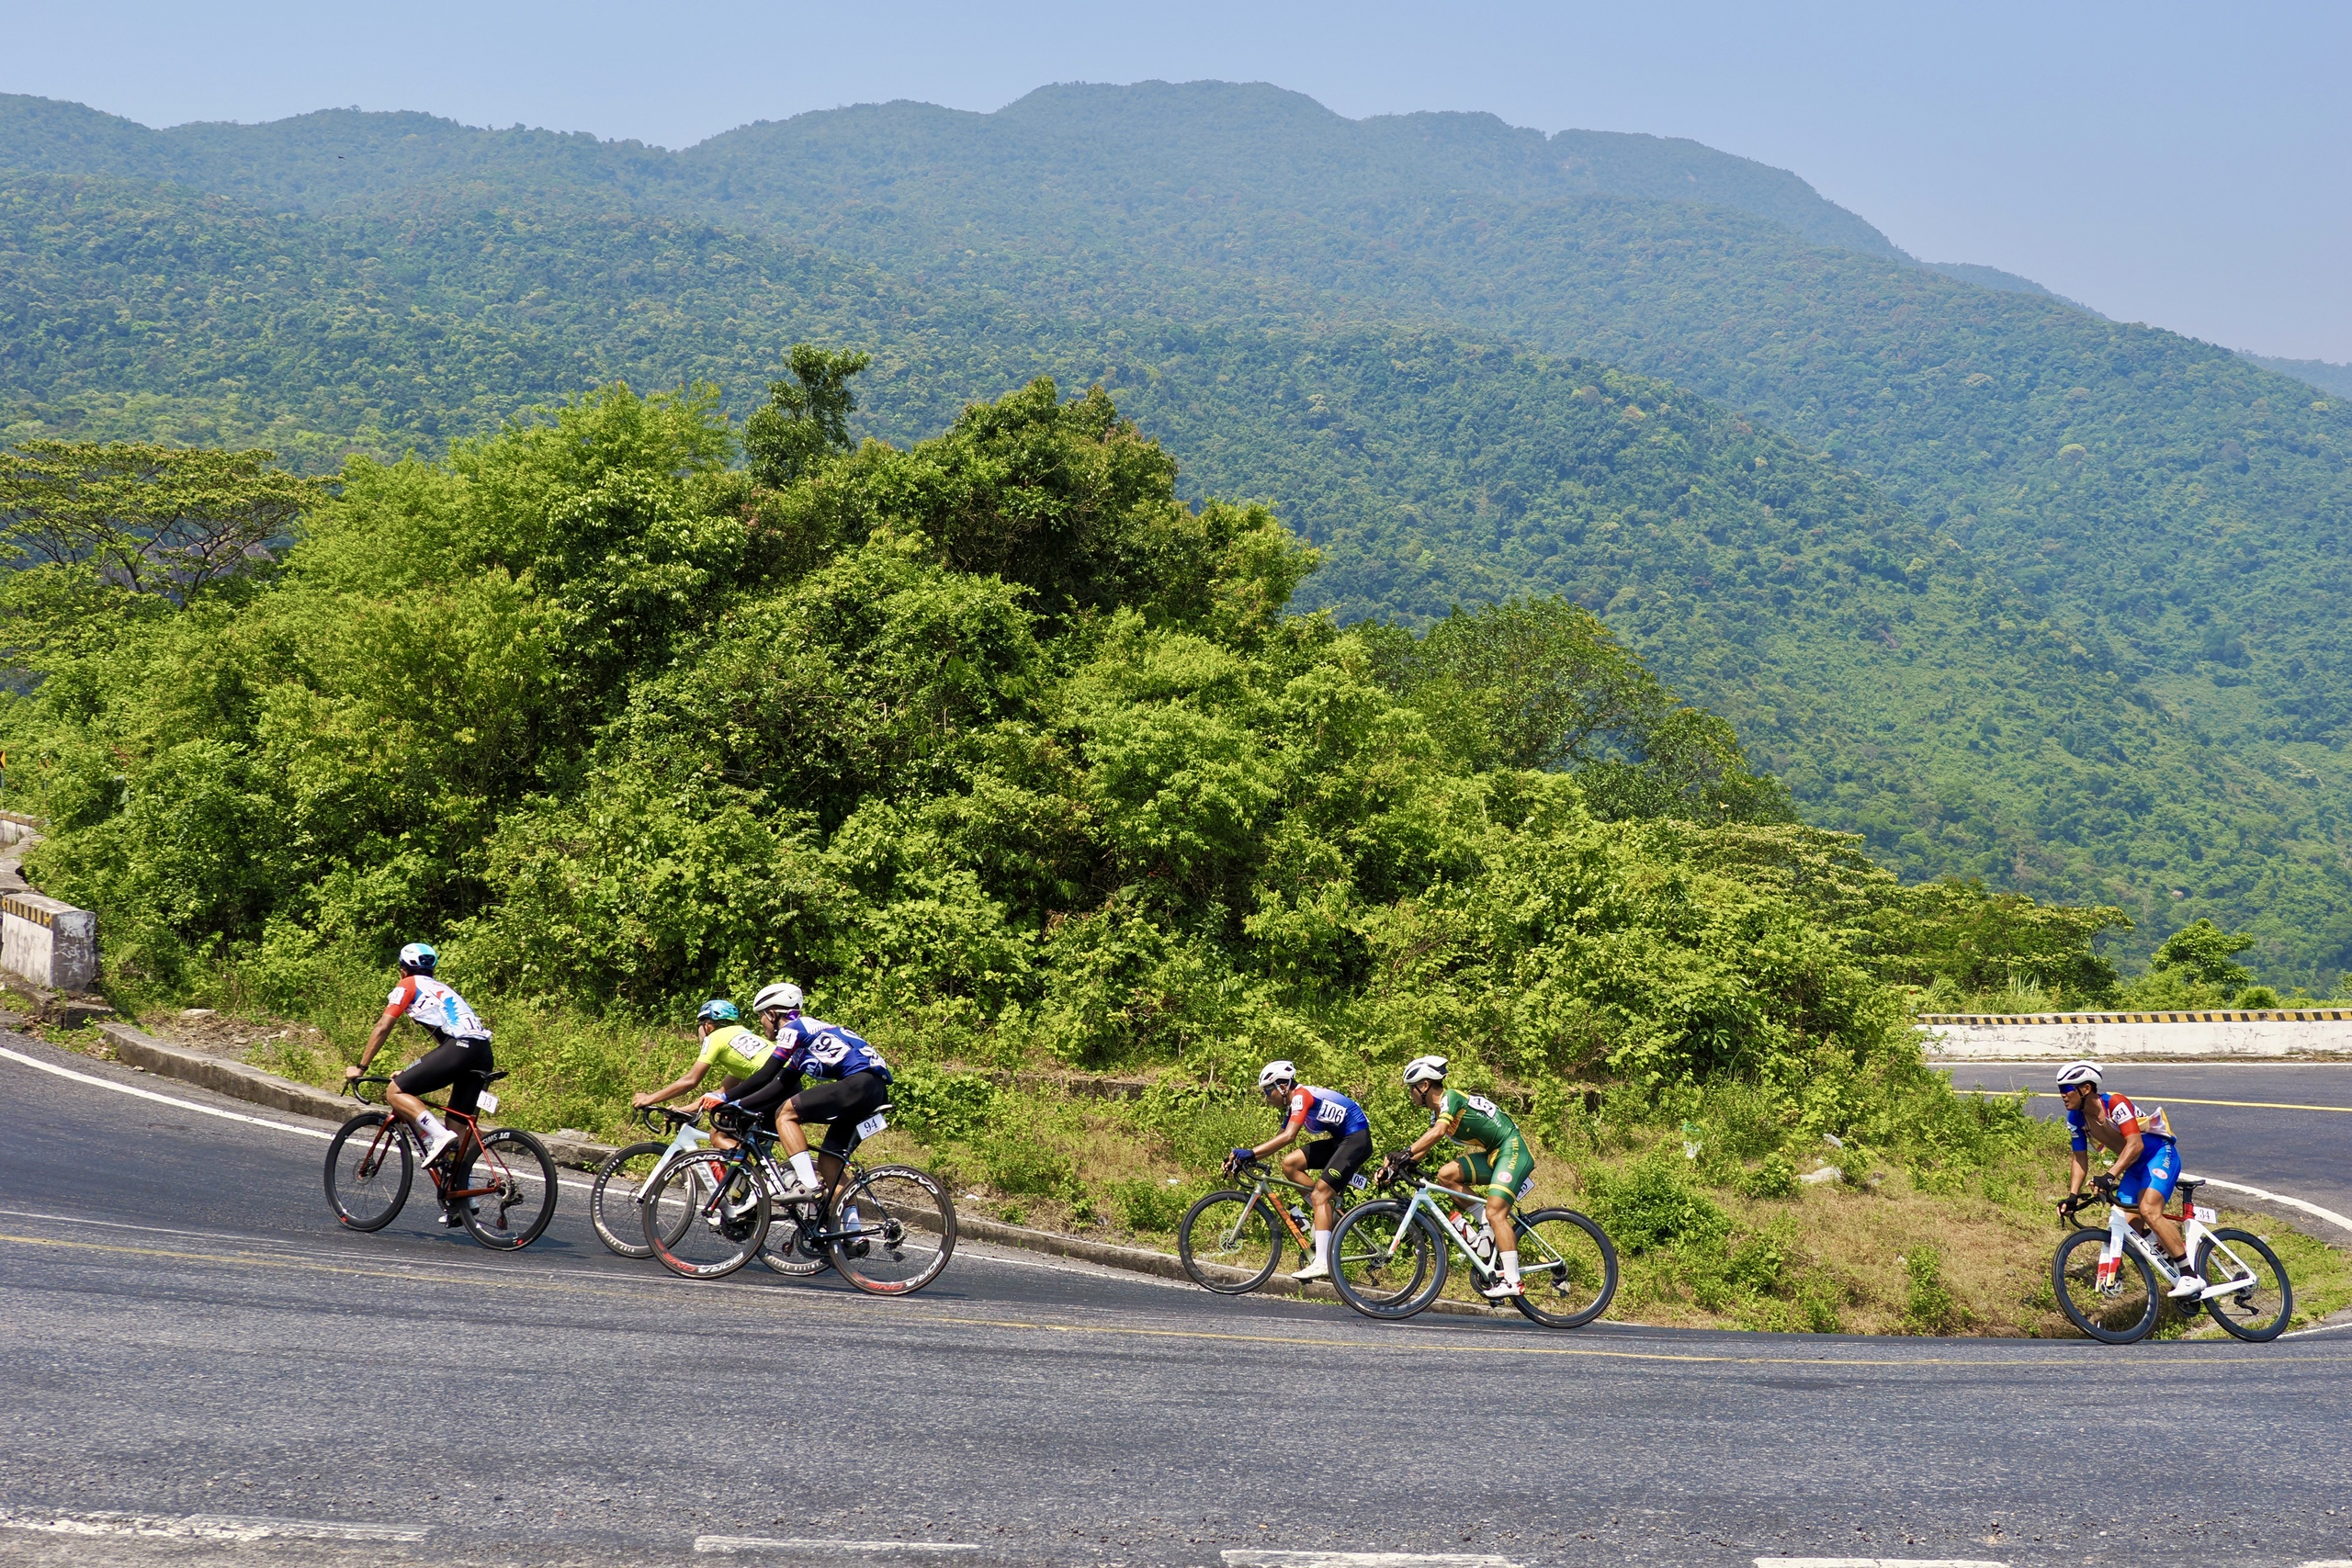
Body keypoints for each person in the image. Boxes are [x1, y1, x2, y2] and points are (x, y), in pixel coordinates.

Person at [345, 942, 494, 1224]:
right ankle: (465, 1198)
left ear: (402, 969)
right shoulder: (442, 989)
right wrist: (413, 1070)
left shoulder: (409, 984)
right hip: (482, 1053)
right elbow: (445, 1046)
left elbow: (383, 1025)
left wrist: (361, 1066)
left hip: (461, 1049)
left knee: (395, 1091)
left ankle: (436, 1136)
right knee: (458, 1127)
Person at [718, 982, 892, 1199]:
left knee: (785, 1114)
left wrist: (724, 1097)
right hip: (873, 1090)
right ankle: (853, 1230)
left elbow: (767, 1073)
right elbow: (782, 1083)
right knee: (830, 1164)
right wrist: (738, 1105)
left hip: (859, 1084)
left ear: (772, 1014)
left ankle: (807, 1185)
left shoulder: (793, 1028)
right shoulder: (806, 1041)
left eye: (761, 1016)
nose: (761, 1023)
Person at [1385, 1055, 1533, 1299]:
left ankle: (1513, 1281)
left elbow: (1439, 1132)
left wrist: (1406, 1153)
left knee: (1497, 1212)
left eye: (1411, 1088)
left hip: (1512, 1149)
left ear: (1423, 1086)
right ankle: (1486, 1224)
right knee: (1446, 1175)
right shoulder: (1437, 1114)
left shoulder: (1450, 1098)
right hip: (1493, 1155)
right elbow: (1424, 1148)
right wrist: (1394, 1166)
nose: (1410, 1094)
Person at [2055, 1059, 2202, 1298]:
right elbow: (2079, 1160)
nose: (2062, 1095)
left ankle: (2189, 1277)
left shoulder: (2115, 1103)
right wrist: (2072, 1196)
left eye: (2066, 1090)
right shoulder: (2076, 1119)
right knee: (2129, 1225)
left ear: (2085, 1089)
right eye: (2060, 1090)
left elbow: (2135, 1144)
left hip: (2158, 1154)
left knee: (2149, 1210)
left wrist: (2110, 1176)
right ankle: (2164, 1247)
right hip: (2134, 1168)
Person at [1224, 1061, 1373, 1282]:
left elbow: (1289, 1136)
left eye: (1268, 1091)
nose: (1267, 1097)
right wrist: (1243, 1158)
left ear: (1283, 1086)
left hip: (1356, 1141)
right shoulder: (1294, 1102)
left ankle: (1322, 1262)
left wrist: (1251, 1153)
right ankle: (1324, 1213)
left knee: (1319, 1194)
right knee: (1290, 1164)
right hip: (1342, 1140)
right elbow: (1279, 1138)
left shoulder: (1301, 1096)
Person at [631, 998, 778, 1150]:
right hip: (785, 1083)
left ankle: (751, 1172)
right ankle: (757, 1170)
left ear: (707, 1025)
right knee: (737, 1133)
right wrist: (684, 1109)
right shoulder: (740, 1036)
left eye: (698, 1026)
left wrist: (649, 1098)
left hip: (770, 1084)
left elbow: (690, 1080)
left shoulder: (715, 1037)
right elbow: (722, 1093)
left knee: (718, 1136)